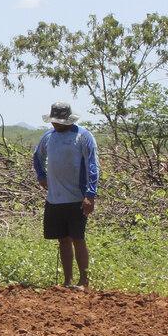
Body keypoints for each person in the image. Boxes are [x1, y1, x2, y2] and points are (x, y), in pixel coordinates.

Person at [32, 101, 99, 287]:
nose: (55, 124)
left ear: (68, 120)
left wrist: (90, 194)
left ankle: (84, 281)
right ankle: (67, 280)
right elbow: (37, 157)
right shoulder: (48, 137)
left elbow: (93, 166)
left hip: (77, 197)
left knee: (78, 239)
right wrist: (41, 176)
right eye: (53, 121)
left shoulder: (83, 136)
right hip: (55, 198)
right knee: (63, 240)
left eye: (59, 121)